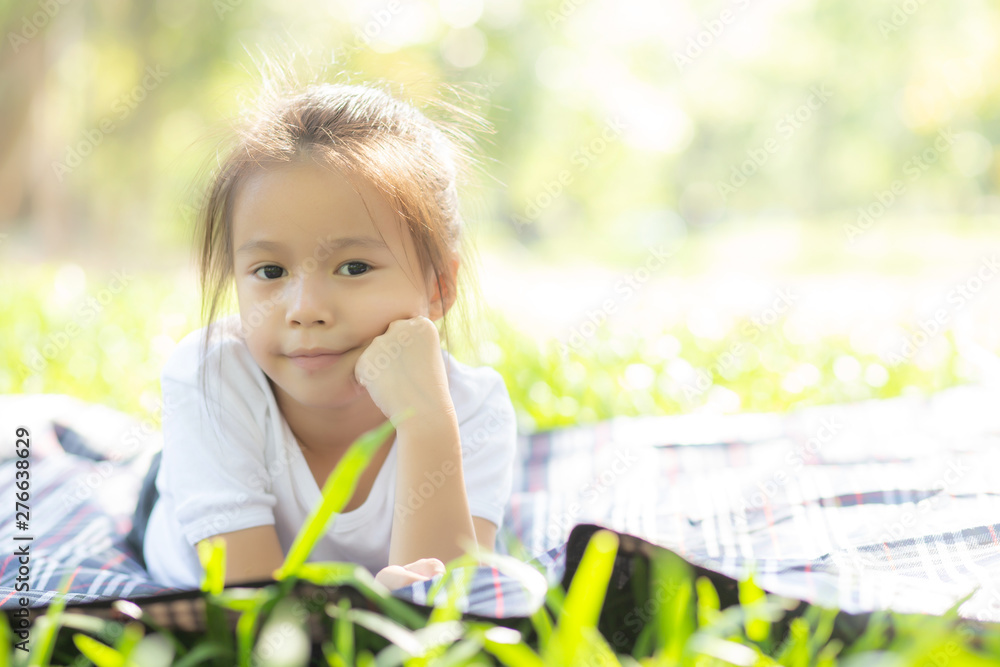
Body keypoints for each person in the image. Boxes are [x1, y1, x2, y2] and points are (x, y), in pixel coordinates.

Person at [124, 77, 517, 592]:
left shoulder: (472, 409)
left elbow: (446, 615)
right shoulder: (210, 377)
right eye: (270, 272)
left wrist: (426, 425)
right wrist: (377, 606)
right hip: (186, 521)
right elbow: (257, 610)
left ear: (440, 286)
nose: (305, 310)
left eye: (353, 267)